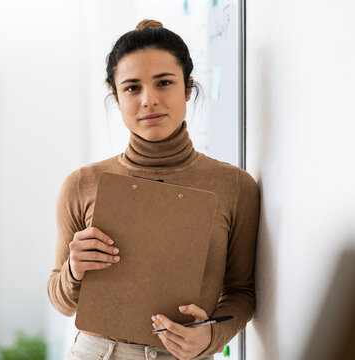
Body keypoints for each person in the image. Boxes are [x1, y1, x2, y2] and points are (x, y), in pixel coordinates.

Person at [47, 19, 259, 360]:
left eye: (164, 83)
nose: (149, 100)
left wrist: (211, 336)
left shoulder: (235, 186)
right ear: (115, 95)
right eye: (132, 88)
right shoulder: (81, 184)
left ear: (188, 88)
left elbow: (242, 292)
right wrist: (74, 268)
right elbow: (61, 301)